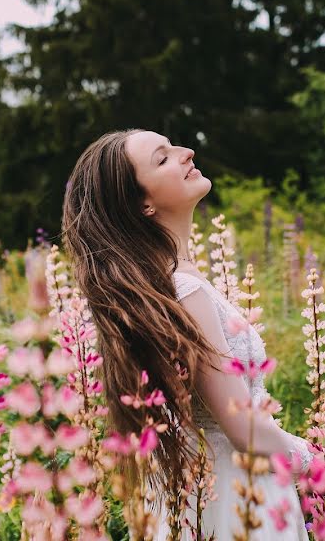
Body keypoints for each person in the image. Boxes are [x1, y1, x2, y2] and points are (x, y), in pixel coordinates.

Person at [62, 129, 311, 539]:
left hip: (203, 493)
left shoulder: (166, 284)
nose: (186, 152)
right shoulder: (183, 290)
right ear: (142, 203)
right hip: (239, 496)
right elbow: (243, 428)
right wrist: (314, 459)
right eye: (162, 159)